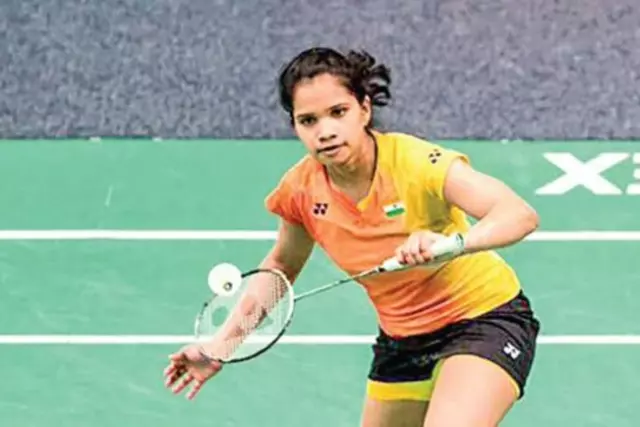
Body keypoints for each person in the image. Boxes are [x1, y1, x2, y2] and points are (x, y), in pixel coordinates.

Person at [164, 47, 541, 427]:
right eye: (308, 120)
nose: (325, 131)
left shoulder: (414, 162)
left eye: (338, 112)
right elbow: (281, 266)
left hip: (483, 319)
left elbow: (518, 215)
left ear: (364, 108)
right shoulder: (301, 190)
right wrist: (222, 347)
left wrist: (449, 246)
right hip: (403, 341)